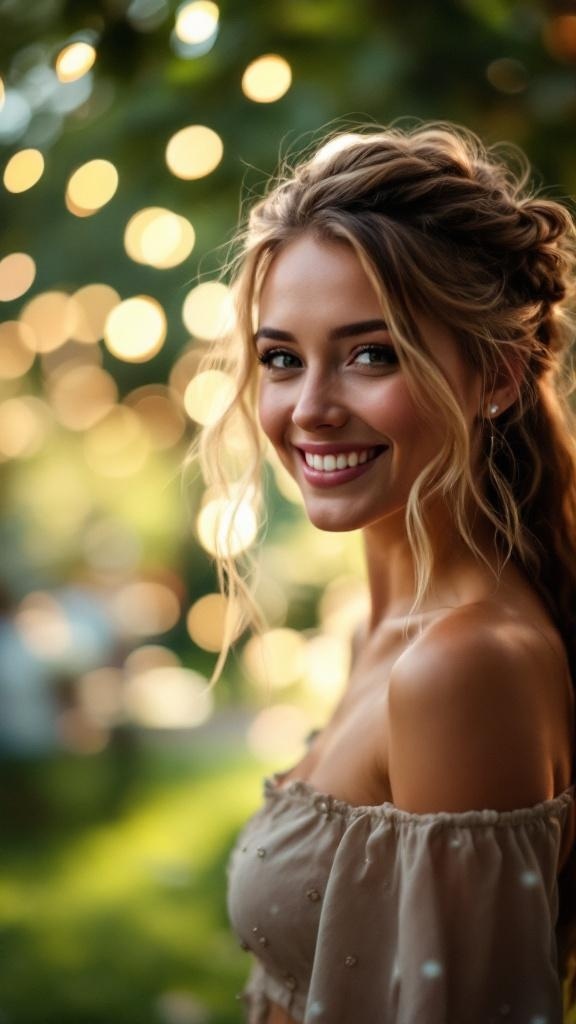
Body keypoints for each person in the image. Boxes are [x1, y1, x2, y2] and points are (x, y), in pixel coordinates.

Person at [194, 121, 576, 1022]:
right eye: (282, 359)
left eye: (373, 353)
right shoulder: (387, 625)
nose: (310, 409)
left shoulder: (462, 664)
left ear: (502, 374)